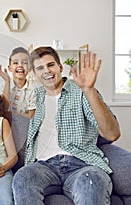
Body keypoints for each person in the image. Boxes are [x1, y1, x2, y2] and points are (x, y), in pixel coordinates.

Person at [12, 46, 121, 205]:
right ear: (34, 74)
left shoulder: (81, 91)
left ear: (60, 67)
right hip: (44, 166)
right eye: (40, 68)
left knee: (91, 182)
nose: (47, 71)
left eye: (50, 65)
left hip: (82, 165)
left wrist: (89, 90)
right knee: (22, 178)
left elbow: (112, 134)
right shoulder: (36, 97)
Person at [0, 47, 38, 172]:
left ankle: (24, 163)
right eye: (16, 63)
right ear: (9, 68)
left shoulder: (33, 88)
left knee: (20, 121)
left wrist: (12, 113)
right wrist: (7, 81)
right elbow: (2, 110)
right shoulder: (4, 85)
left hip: (24, 128)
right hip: (7, 126)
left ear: (29, 68)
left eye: (24, 63)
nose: (20, 65)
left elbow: (31, 115)